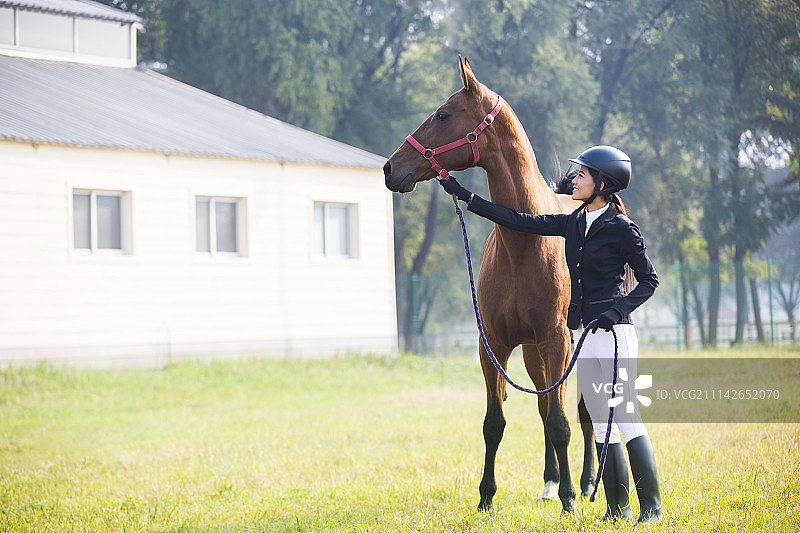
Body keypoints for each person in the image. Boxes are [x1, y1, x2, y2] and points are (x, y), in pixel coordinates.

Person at [440, 145, 662, 524]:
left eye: (583, 175)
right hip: (587, 335)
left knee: (625, 417)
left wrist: (617, 310)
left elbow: (649, 280)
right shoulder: (574, 222)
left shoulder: (623, 229)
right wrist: (466, 196)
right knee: (602, 423)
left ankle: (652, 509)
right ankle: (617, 509)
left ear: (602, 184)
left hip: (615, 334)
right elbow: (518, 220)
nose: (574, 180)